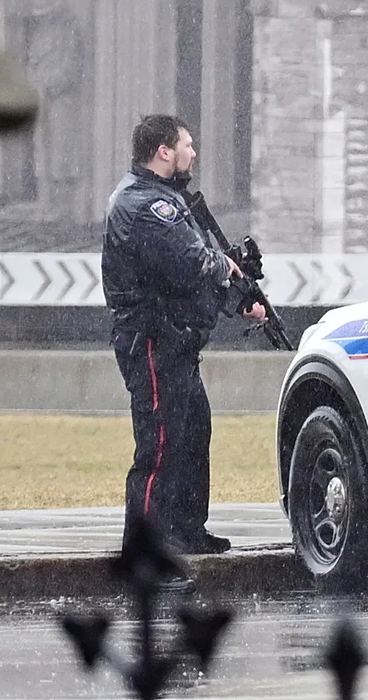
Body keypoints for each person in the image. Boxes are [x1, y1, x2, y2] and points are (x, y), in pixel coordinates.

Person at [102, 115, 265, 570]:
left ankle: (185, 531)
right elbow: (193, 264)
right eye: (187, 146)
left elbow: (195, 273)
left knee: (192, 432)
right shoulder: (145, 205)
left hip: (176, 343)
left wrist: (240, 301)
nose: (193, 154)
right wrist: (224, 266)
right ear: (163, 152)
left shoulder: (163, 200)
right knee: (159, 444)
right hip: (153, 343)